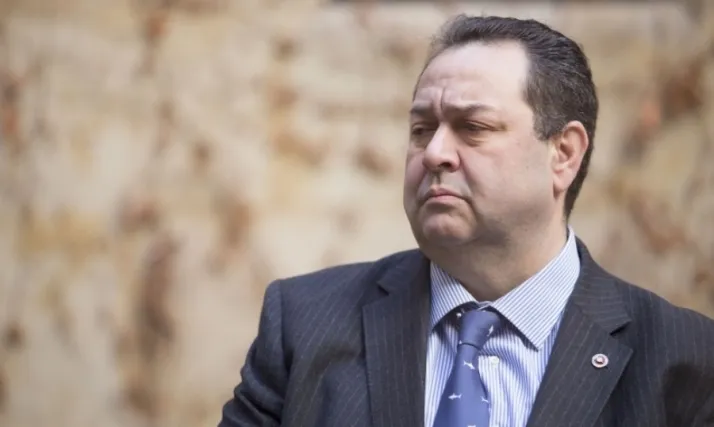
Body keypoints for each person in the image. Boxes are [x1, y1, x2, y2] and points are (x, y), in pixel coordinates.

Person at [218, 15, 714, 427]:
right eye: (421, 129)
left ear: (563, 154)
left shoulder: (684, 357)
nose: (434, 152)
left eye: (472, 127)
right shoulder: (305, 324)